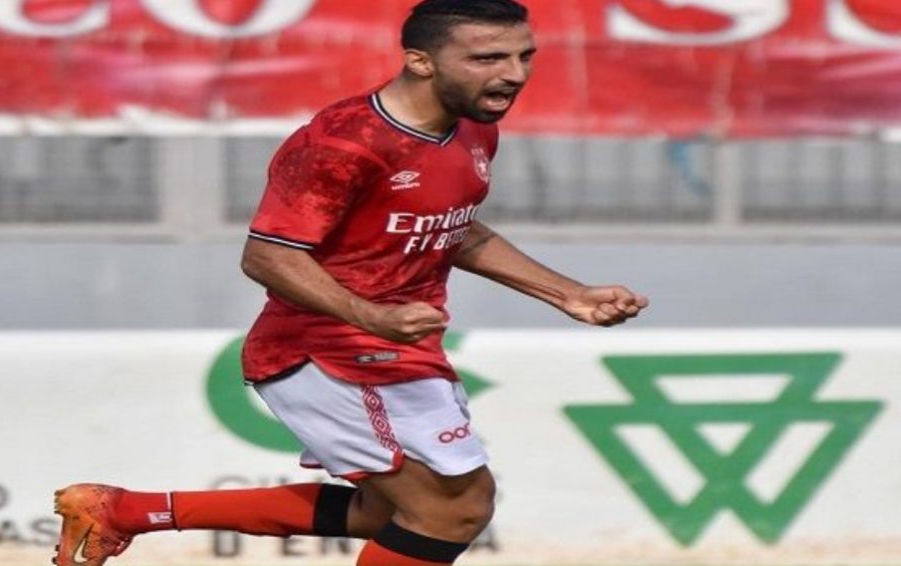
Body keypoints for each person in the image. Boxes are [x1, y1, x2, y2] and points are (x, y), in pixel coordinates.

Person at [51, 1, 649, 565]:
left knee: (386, 513)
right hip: (328, 351)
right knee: (455, 509)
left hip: (397, 348)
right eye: (487, 58)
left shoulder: (472, 129)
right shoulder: (342, 143)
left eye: (524, 56)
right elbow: (267, 256)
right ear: (420, 61)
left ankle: (124, 511)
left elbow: (452, 227)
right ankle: (124, 511)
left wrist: (567, 292)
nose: (514, 73)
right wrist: (372, 316)